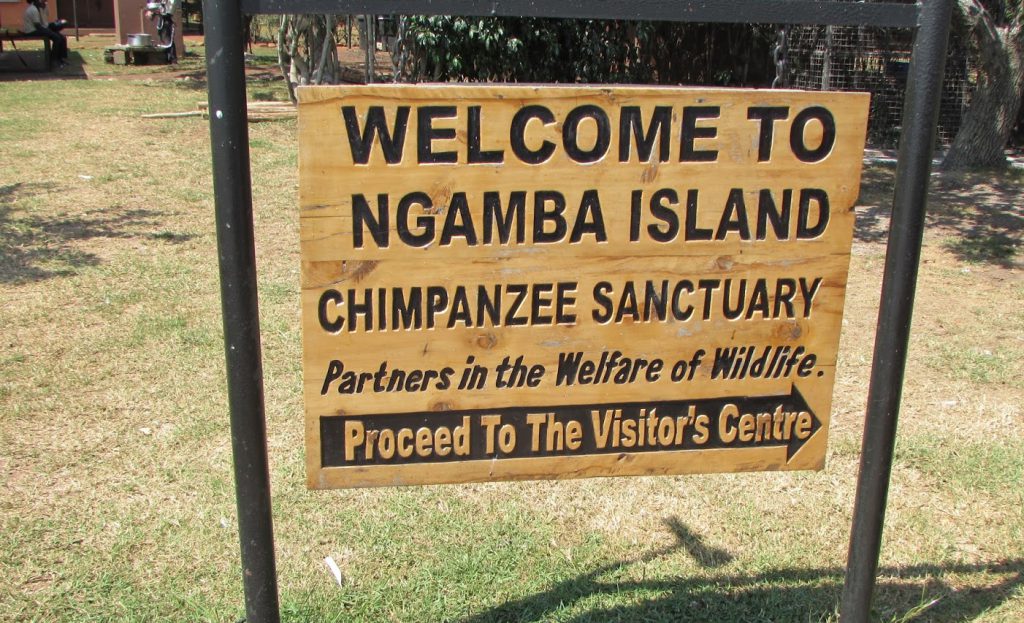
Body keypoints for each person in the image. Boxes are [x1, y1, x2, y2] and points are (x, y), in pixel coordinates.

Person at [22, 0, 68, 68]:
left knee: (62, 36)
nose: (44, 2)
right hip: (32, 31)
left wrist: (51, 28)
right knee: (57, 37)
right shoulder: (33, 10)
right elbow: (38, 26)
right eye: (42, 1)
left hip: (41, 27)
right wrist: (49, 31)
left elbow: (44, 23)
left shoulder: (41, 7)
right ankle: (53, 60)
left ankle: (60, 59)